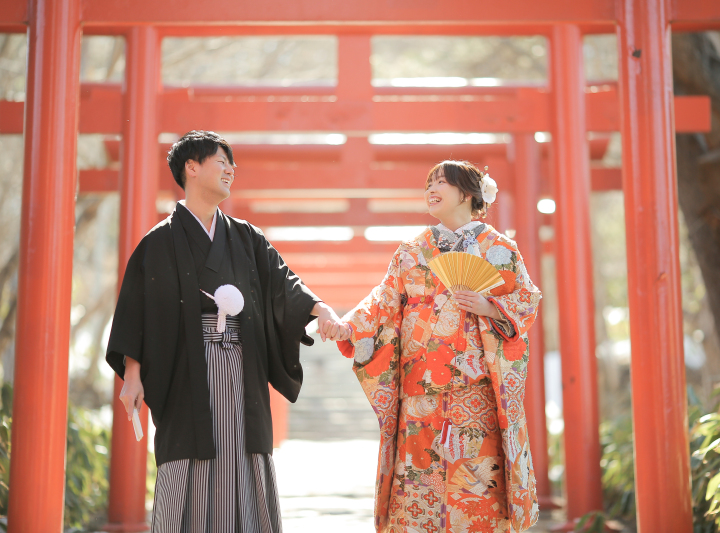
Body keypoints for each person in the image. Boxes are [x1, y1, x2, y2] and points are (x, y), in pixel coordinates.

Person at [106, 130, 344, 533]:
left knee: (243, 450)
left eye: (232, 163)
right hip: (185, 369)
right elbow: (138, 311)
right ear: (192, 167)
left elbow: (282, 281)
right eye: (221, 161)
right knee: (189, 449)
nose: (231, 169)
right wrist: (132, 375)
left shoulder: (245, 237)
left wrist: (321, 309)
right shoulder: (160, 241)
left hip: (241, 363)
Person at [328, 161, 542, 533]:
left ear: (467, 193)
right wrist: (348, 327)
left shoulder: (500, 250)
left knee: (475, 494)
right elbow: (383, 302)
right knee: (419, 494)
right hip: (419, 396)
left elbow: (526, 300)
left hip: (474, 397)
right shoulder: (411, 252)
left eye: (442, 181)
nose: (432, 186)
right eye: (430, 181)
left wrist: (490, 307)